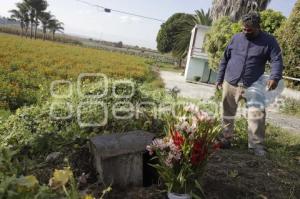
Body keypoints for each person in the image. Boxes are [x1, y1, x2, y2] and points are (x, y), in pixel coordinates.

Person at [215, 12, 284, 157]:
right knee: (227, 112)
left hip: (254, 84)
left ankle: (256, 146)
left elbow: (276, 59)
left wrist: (275, 77)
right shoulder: (236, 38)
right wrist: (219, 78)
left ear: (258, 27)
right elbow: (225, 58)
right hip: (230, 81)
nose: (246, 31)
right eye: (244, 28)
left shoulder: (269, 41)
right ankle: (226, 139)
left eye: (249, 29)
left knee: (256, 114)